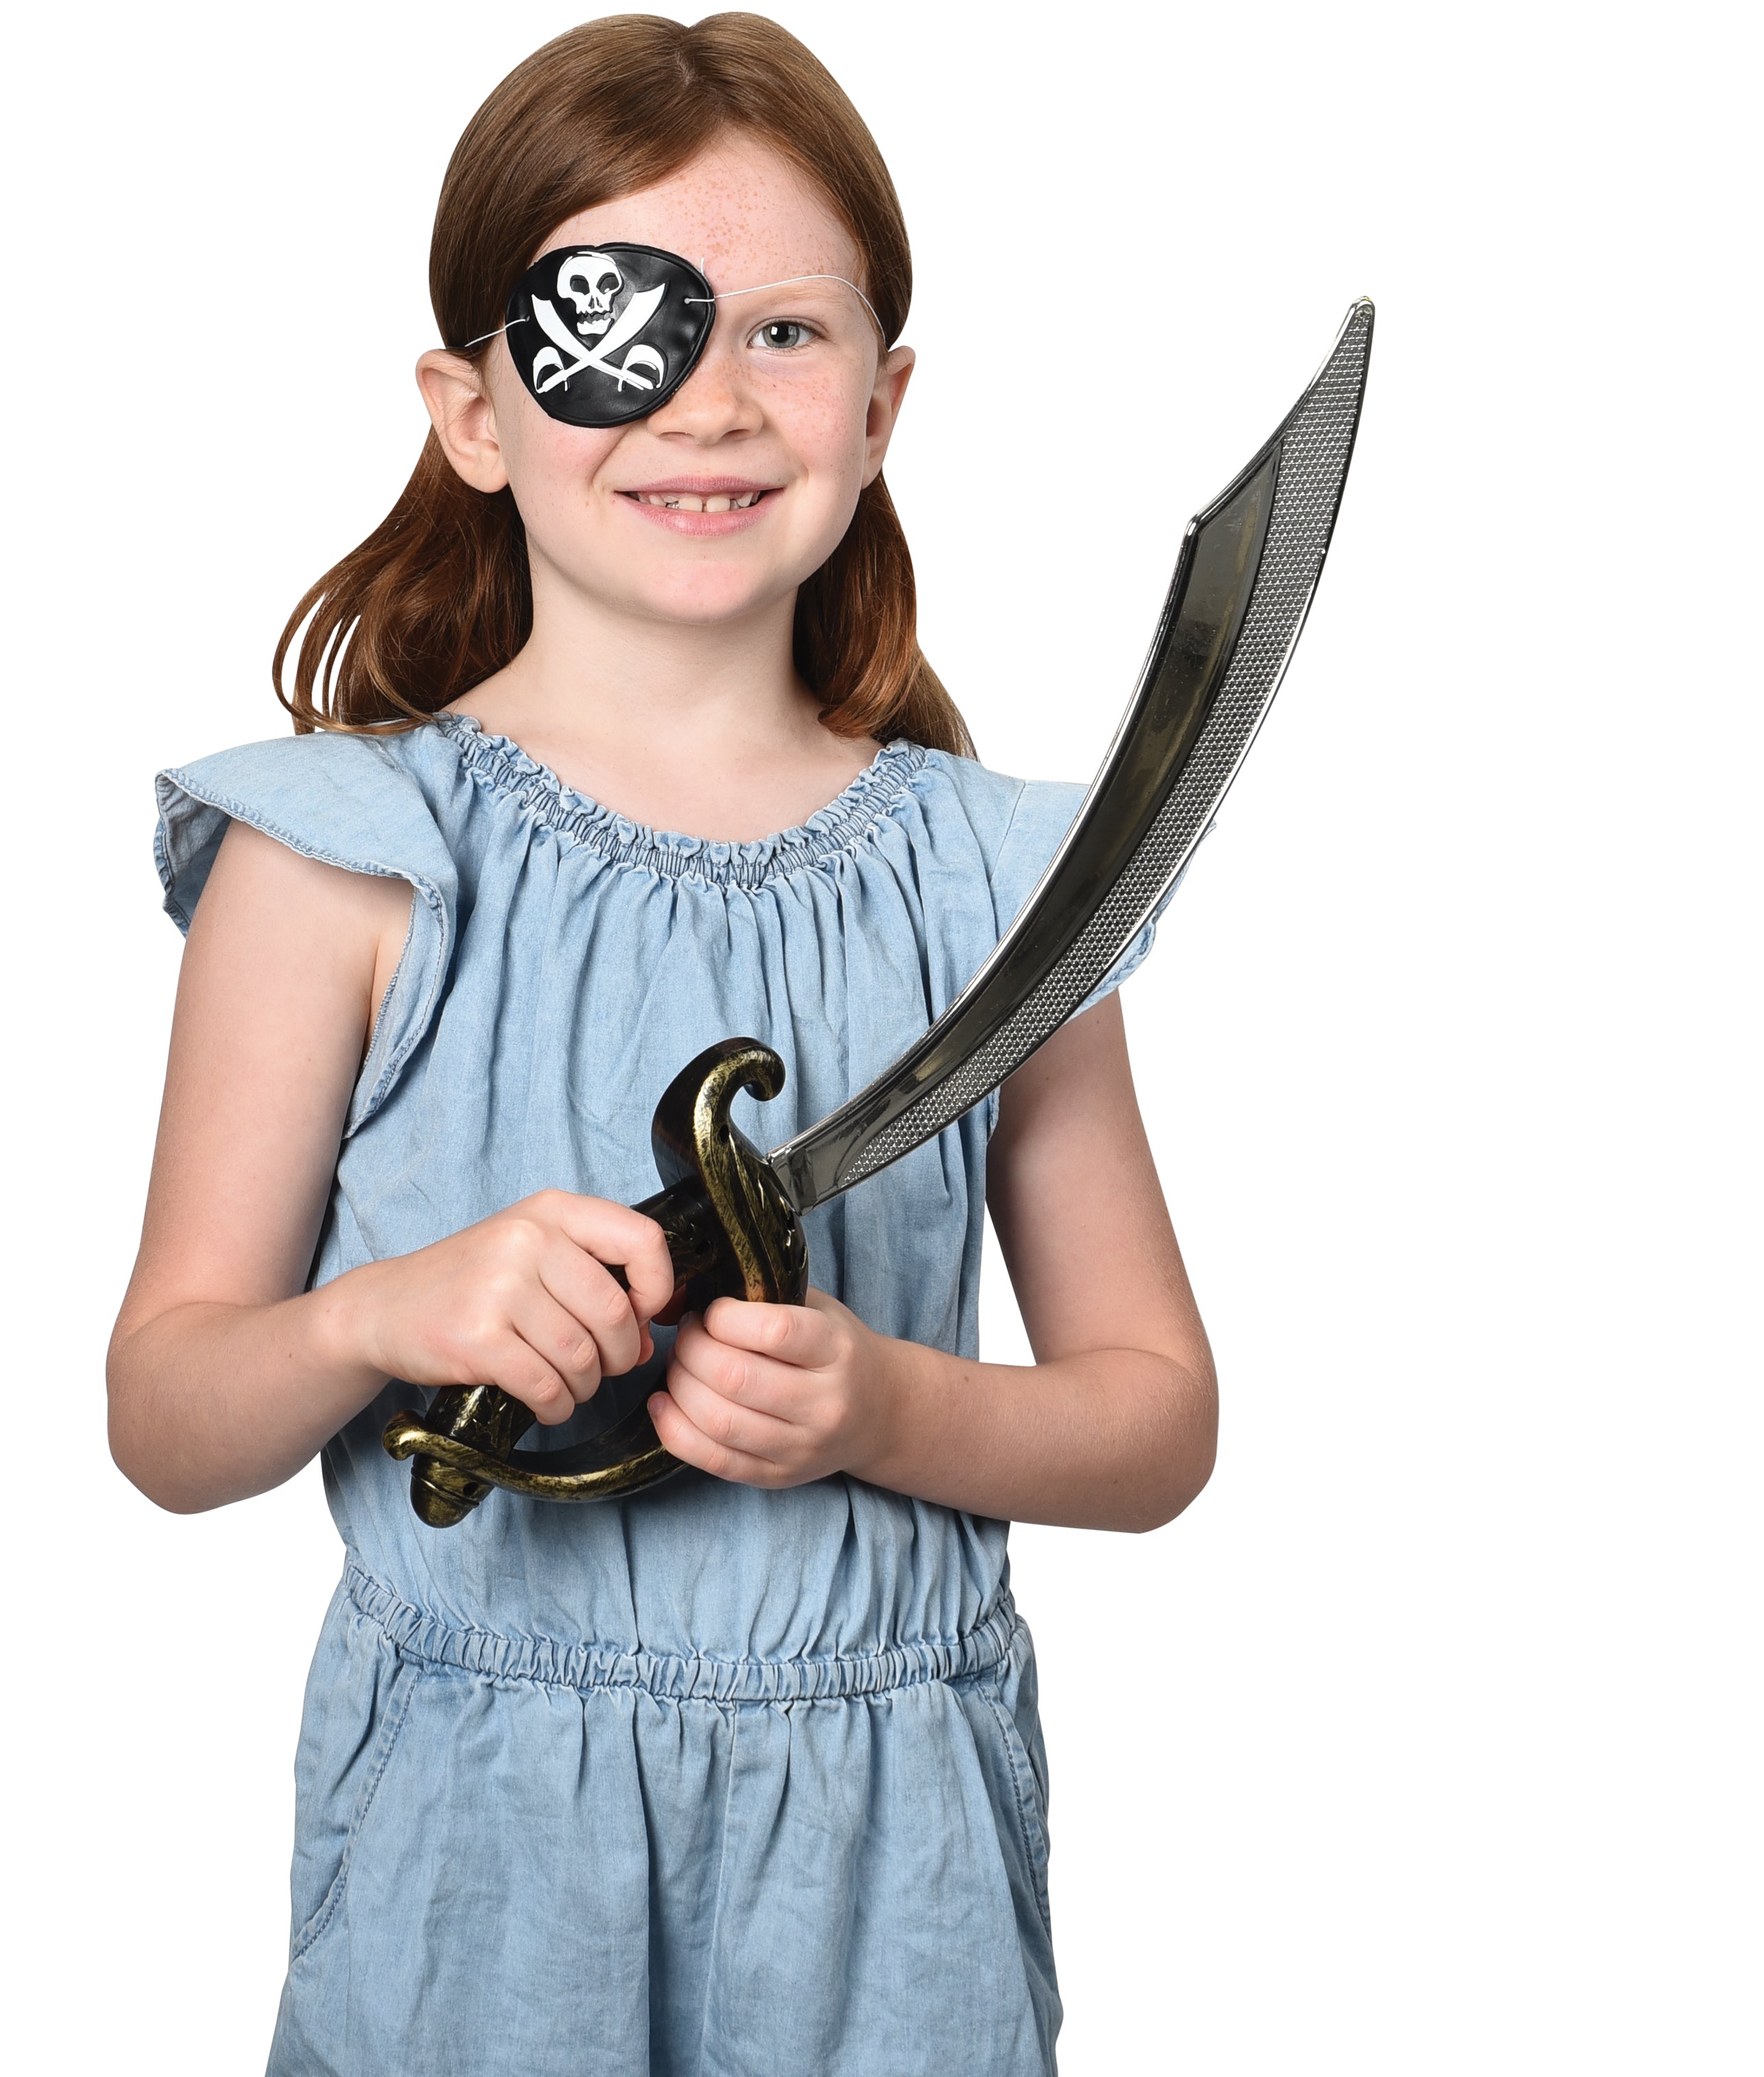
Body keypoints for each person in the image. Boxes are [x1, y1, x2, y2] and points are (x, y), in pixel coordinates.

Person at [109, 14, 1217, 2072]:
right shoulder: (343, 862)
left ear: (883, 403)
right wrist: (379, 1317)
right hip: (477, 1869)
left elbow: (1155, 1424)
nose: (709, 399)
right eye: (622, 325)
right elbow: (169, 1418)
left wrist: (885, 1407)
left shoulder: (1007, 891)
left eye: (785, 333)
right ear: (474, 412)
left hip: (892, 1877)